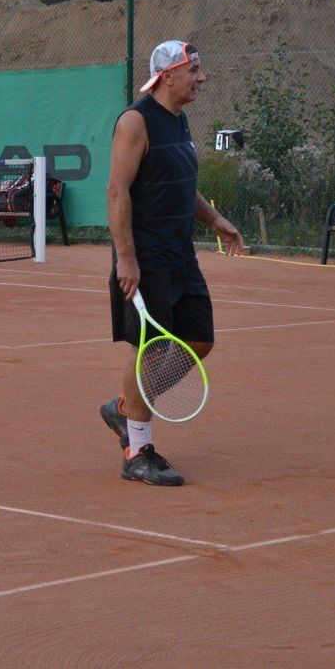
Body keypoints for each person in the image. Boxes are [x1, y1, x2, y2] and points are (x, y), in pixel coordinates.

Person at [101, 41, 245, 486]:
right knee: (150, 349)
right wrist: (126, 258)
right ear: (168, 75)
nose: (201, 78)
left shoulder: (179, 122)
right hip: (146, 259)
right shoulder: (135, 122)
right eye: (194, 70)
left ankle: (126, 408)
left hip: (181, 254)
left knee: (198, 340)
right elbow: (117, 192)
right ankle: (138, 451)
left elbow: (183, 185)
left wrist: (217, 221)